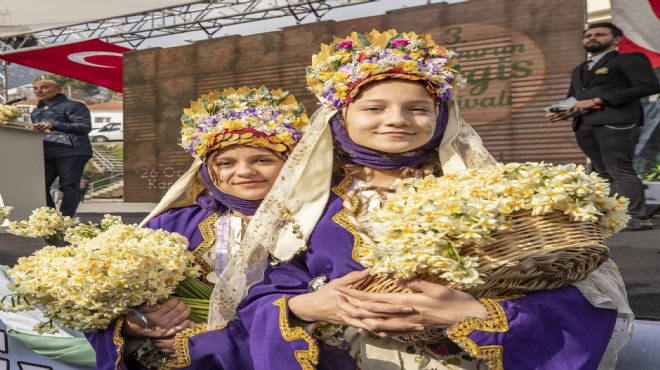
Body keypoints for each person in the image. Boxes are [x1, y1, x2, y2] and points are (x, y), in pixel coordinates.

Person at [215, 30, 634, 369]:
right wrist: (310, 305)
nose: (397, 119)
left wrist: (468, 311)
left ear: (441, 119)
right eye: (374, 107)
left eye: (418, 109)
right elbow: (260, 292)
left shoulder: (488, 192)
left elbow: (575, 283)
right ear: (340, 117)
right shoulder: (310, 203)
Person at [84, 87, 308, 369]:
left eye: (263, 160)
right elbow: (106, 304)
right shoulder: (171, 225)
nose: (244, 172)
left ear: (292, 164)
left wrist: (214, 343)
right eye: (225, 163)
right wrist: (135, 325)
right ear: (205, 169)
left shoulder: (315, 223)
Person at [547, 22, 660, 231]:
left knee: (619, 169)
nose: (592, 38)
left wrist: (598, 100)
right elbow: (575, 98)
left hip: (617, 122)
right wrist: (564, 110)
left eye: (599, 34)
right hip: (584, 125)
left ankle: (636, 216)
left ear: (616, 39)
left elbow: (650, 85)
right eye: (588, 35)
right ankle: (613, 216)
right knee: (603, 172)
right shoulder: (579, 69)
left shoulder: (628, 59)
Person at [31, 79, 93, 217]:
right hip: (46, 152)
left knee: (69, 186)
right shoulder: (36, 111)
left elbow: (84, 127)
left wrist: (53, 125)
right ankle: (52, 221)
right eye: (35, 88)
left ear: (58, 90)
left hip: (72, 151)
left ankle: (66, 220)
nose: (38, 91)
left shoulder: (75, 106)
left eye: (44, 87)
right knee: (40, 187)